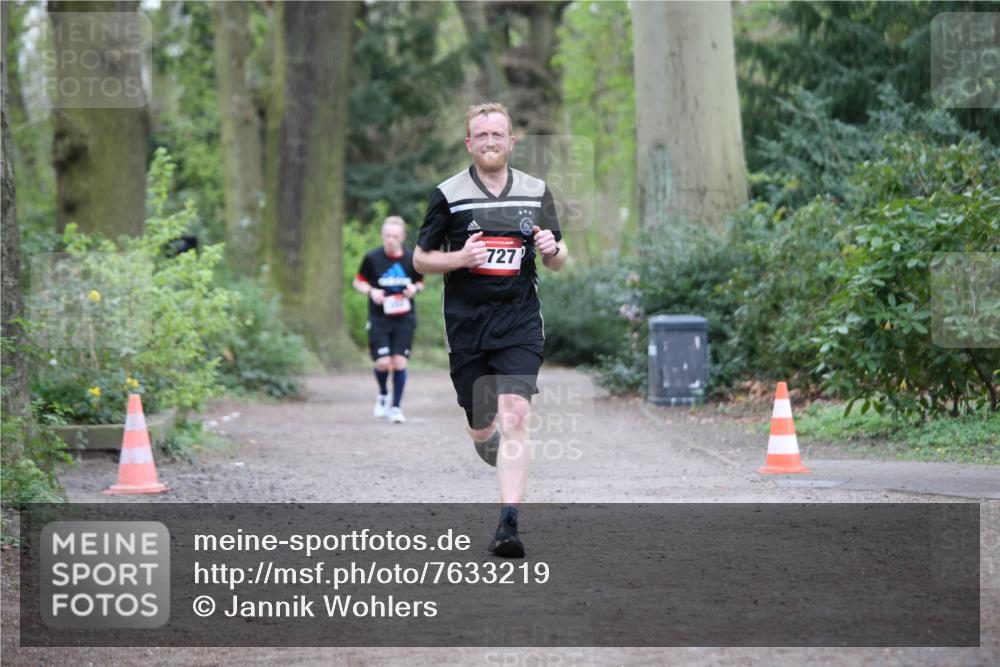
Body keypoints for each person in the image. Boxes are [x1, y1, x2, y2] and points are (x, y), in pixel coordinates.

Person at [414, 102, 567, 558]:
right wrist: (460, 258)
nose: (490, 141)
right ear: (469, 143)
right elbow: (421, 259)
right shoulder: (448, 194)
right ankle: (485, 438)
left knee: (516, 413)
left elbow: (559, 260)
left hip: (520, 323)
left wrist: (552, 248)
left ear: (511, 141)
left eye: (497, 134)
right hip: (467, 328)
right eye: (481, 135)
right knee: (482, 426)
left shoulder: (536, 191)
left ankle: (508, 525)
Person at [353, 216, 425, 424]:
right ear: (382, 236)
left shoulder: (412, 259)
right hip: (379, 318)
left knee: (399, 362)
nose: (390, 240)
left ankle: (396, 408)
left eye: (394, 236)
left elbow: (421, 282)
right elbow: (358, 282)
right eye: (387, 235)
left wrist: (414, 289)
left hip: (404, 318)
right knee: (383, 363)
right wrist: (372, 291)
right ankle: (383, 393)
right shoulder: (372, 258)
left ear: (402, 237)